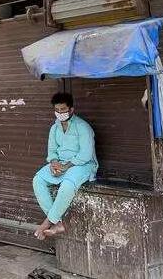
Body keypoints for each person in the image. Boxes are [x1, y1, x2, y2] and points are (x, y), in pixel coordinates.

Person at [33, 92, 98, 239]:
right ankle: (58, 223)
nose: (60, 113)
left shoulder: (83, 127)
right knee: (38, 180)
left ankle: (47, 223)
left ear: (71, 109)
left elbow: (86, 154)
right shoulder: (54, 128)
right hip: (62, 164)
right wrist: (54, 164)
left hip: (83, 165)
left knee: (67, 185)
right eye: (57, 110)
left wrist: (66, 167)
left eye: (63, 109)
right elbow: (52, 151)